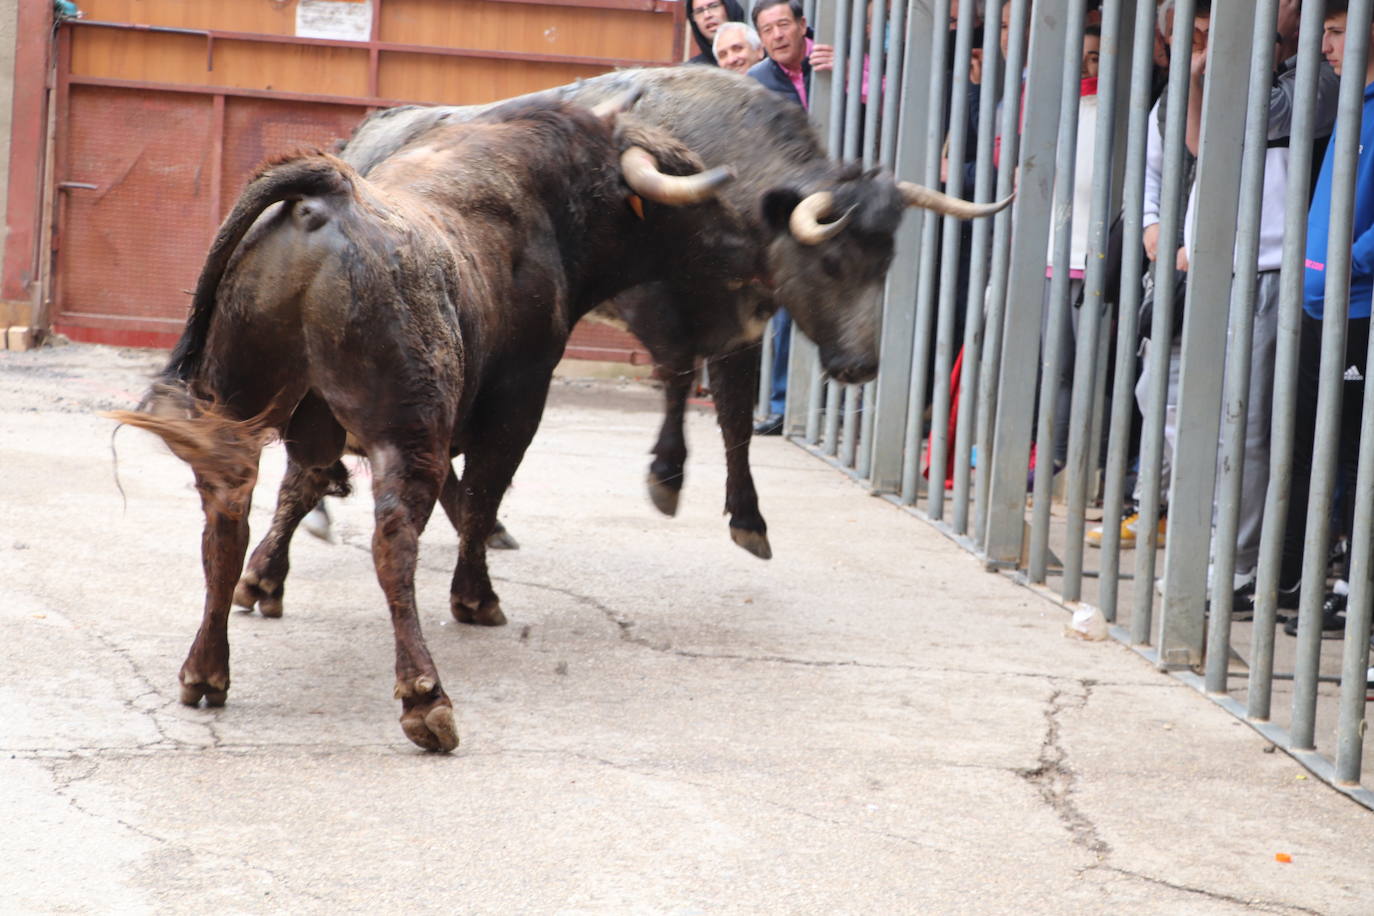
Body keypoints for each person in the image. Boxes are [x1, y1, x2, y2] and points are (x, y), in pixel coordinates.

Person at [1263, 0, 1374, 635]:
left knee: (1355, 456)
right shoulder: (1350, 102)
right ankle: (1326, 578)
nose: (1326, 47)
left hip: (1355, 307)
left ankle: (1351, 586)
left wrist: (1345, 266)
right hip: (1320, 302)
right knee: (1317, 450)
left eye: (1334, 33)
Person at [748, 0, 833, 435]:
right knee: (787, 306)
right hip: (793, 207)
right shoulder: (756, 83)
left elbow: (893, 108)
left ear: (803, 25)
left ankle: (842, 408)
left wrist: (852, 74)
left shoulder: (842, 54)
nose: (778, 35)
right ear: (760, 40)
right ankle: (784, 405)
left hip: (847, 196)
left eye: (784, 24)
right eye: (768, 30)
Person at [687, 0, 746, 67]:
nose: (707, 15)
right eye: (699, 11)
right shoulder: (692, 71)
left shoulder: (757, 58)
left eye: (713, 6)